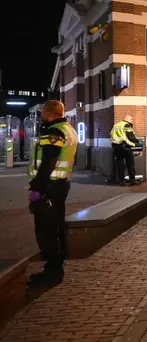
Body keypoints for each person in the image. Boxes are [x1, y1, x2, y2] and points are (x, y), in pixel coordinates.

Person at [27, 100, 78, 287]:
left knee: (46, 228)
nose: (41, 115)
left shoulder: (54, 131)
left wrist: (37, 187)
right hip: (60, 184)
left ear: (48, 113)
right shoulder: (68, 129)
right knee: (57, 224)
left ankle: (52, 270)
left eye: (42, 112)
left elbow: (49, 159)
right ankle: (57, 265)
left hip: (49, 186)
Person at [110, 115, 140, 186]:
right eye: (131, 119)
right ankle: (132, 180)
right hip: (125, 147)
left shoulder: (115, 125)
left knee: (120, 165)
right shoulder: (126, 125)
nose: (132, 120)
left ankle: (121, 181)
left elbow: (111, 134)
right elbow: (130, 136)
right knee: (130, 164)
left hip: (116, 147)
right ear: (127, 119)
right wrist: (137, 142)